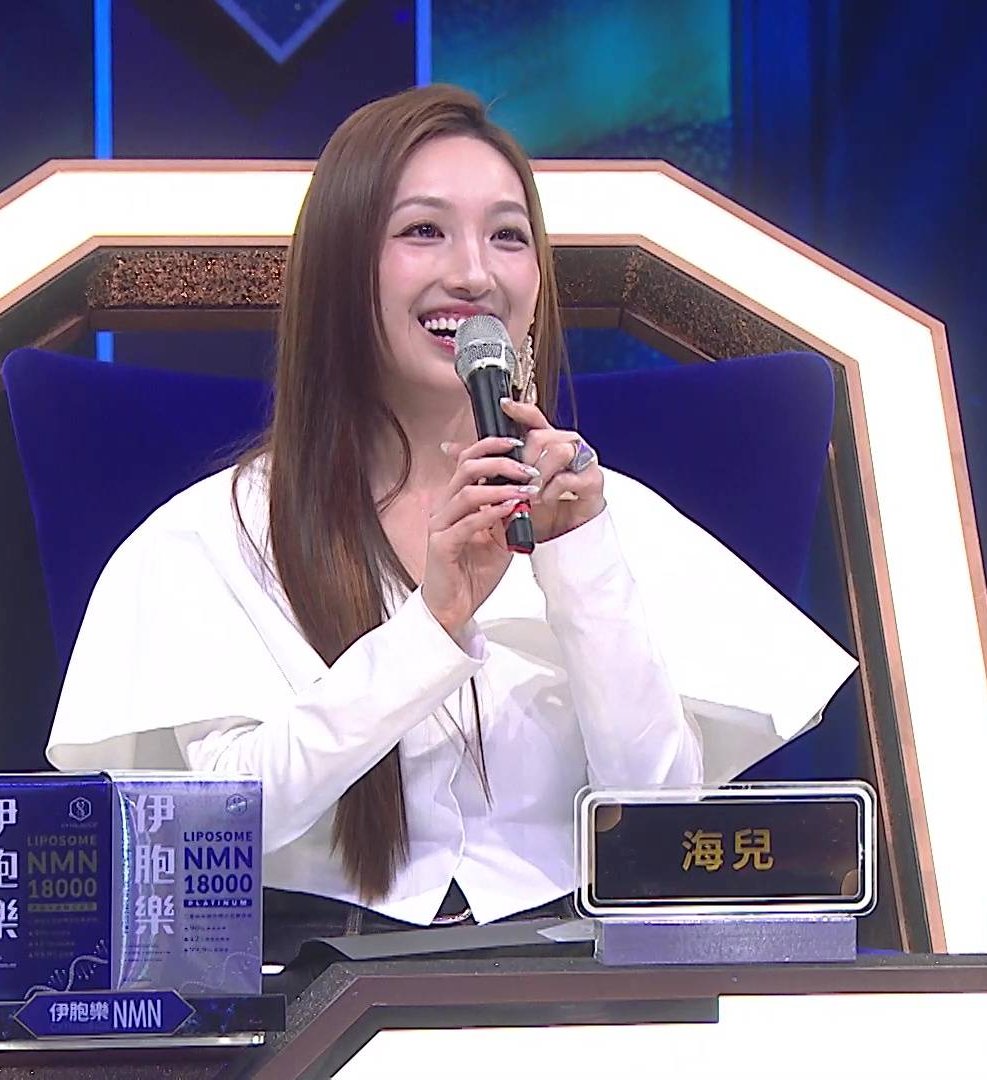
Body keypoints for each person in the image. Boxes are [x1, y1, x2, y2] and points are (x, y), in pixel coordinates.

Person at [45, 85, 855, 960]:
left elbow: (660, 823)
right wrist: (427, 629)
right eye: (424, 231)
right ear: (341, 272)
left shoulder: (613, 520)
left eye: (508, 236)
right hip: (312, 986)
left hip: (574, 986)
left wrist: (581, 568)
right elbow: (220, 829)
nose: (474, 274)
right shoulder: (212, 537)